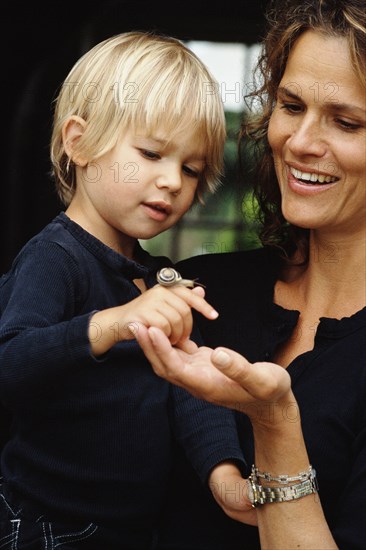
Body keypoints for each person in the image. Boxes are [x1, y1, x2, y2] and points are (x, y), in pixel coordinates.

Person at [0, 31, 249, 549]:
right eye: (152, 153)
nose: (172, 181)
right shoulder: (55, 258)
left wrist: (226, 477)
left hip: (132, 532)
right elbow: (12, 362)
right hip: (47, 526)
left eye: (191, 168)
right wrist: (115, 322)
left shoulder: (159, 277)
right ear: (79, 141)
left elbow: (192, 391)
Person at [136, 1, 366, 548]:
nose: (301, 141)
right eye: (291, 106)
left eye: (346, 122)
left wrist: (274, 421)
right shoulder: (193, 290)